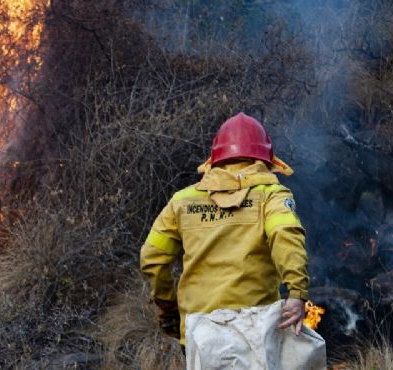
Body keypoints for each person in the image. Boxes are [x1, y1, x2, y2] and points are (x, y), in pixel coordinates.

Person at [139, 112, 325, 369]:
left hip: (198, 329)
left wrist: (169, 308)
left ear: (215, 159)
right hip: (257, 328)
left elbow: (151, 258)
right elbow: (285, 236)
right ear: (265, 157)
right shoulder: (271, 196)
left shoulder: (182, 201)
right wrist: (296, 293)